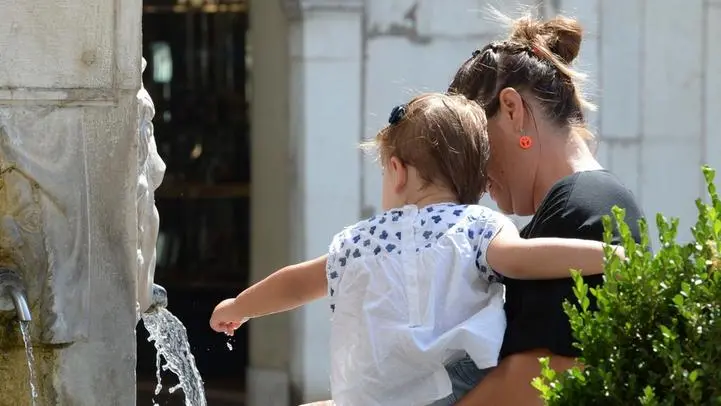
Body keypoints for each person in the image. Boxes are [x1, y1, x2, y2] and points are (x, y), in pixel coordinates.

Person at [209, 93, 623, 405]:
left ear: (397, 171)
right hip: (449, 389)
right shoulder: (478, 226)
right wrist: (607, 256)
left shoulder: (359, 240)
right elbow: (526, 261)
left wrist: (239, 306)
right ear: (479, 183)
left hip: (369, 395)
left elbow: (297, 283)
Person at [445, 13, 645, 406]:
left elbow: (535, 377)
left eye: (475, 146)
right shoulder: (589, 199)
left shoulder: (581, 203)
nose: (474, 173)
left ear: (512, 108)